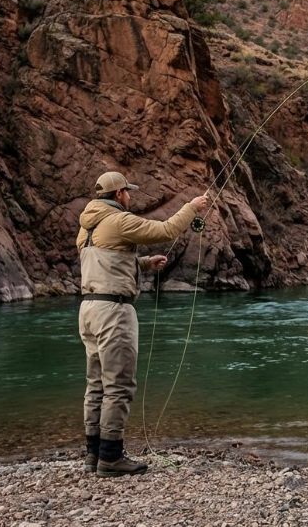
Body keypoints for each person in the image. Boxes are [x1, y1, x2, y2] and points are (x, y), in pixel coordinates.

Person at [75, 171, 209, 477]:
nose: (130, 197)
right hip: (114, 312)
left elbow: (104, 261)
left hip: (89, 310)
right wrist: (192, 207)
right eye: (128, 192)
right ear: (119, 194)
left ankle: (93, 456)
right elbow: (166, 229)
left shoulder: (87, 228)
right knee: (118, 386)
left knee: (96, 385)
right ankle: (111, 458)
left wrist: (144, 264)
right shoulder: (120, 221)